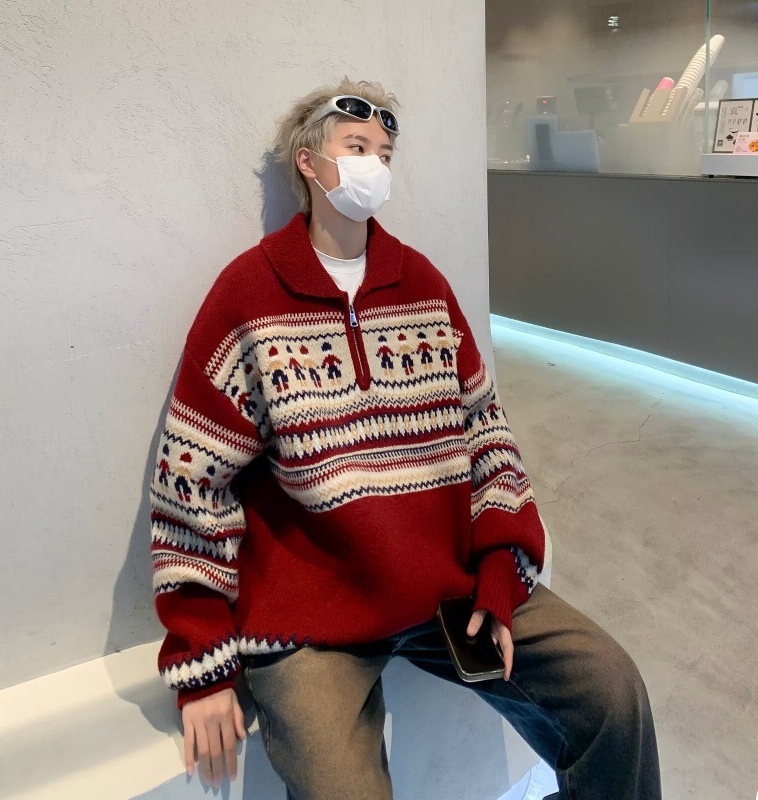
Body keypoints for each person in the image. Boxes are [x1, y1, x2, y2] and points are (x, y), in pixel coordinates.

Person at [148, 76, 662, 799]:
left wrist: (500, 569)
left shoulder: (422, 284)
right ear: (308, 162)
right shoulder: (248, 296)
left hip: (448, 592)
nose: (374, 167)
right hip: (308, 621)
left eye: (384, 154)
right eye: (356, 146)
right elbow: (190, 479)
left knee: (612, 691)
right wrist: (202, 659)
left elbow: (489, 439)